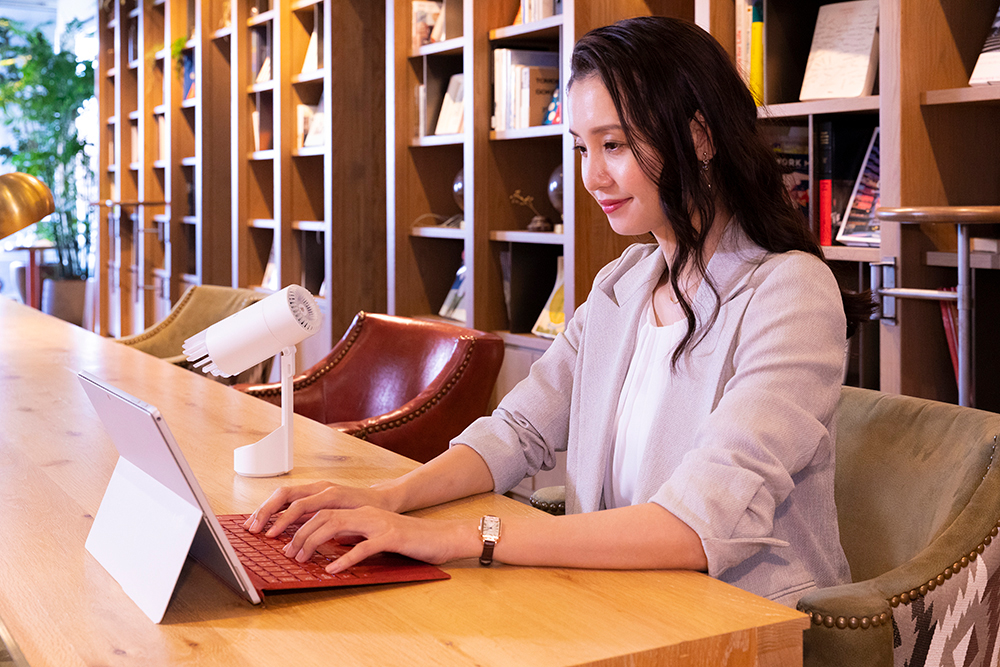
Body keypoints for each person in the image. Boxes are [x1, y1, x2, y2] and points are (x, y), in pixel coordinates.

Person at [245, 16, 872, 607]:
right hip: (615, 598)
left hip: (740, 621)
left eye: (615, 144)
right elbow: (519, 430)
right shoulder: (623, 282)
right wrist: (389, 498)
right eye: (579, 147)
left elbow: (695, 526)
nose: (592, 175)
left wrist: (467, 537)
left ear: (700, 137)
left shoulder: (790, 292)